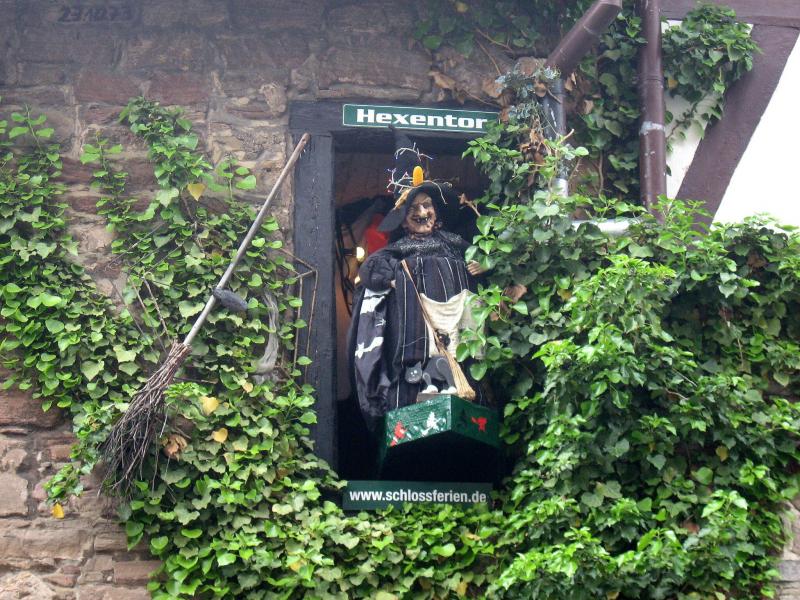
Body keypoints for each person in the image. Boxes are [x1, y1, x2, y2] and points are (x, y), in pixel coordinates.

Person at [348, 132, 487, 430]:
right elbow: (371, 271)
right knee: (418, 387)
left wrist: (481, 266)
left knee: (464, 379)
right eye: (414, 209)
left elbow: (488, 263)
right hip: (415, 341)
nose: (422, 213)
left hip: (460, 337)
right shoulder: (396, 251)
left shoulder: (456, 244)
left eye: (427, 206)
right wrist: (392, 279)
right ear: (402, 218)